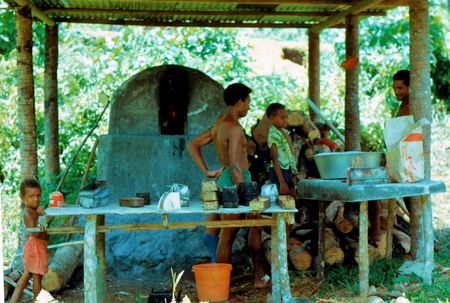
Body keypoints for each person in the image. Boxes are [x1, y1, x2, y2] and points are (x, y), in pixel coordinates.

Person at [188, 83, 269, 288]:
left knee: (235, 231)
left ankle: (246, 278)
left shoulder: (218, 123)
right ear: (240, 101)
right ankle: (230, 284)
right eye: (248, 103)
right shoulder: (234, 128)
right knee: (233, 232)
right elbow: (234, 166)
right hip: (238, 181)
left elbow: (193, 144)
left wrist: (206, 171)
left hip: (225, 180)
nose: (249, 108)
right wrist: (249, 198)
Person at [10, 179, 49, 302]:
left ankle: (13, 300)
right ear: (23, 197)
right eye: (31, 196)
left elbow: (42, 228)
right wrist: (43, 218)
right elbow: (35, 233)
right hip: (35, 247)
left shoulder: (34, 210)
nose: (36, 199)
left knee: (26, 275)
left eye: (38, 195)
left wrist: (43, 217)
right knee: (37, 277)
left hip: (38, 247)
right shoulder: (27, 213)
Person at [266, 103, 298, 198]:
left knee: (293, 198)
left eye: (286, 117)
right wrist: (282, 181)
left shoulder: (284, 133)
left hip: (287, 170)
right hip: (279, 172)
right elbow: (275, 159)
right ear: (271, 119)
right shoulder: (273, 135)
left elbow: (290, 154)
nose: (285, 120)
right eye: (282, 118)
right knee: (283, 199)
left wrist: (293, 172)